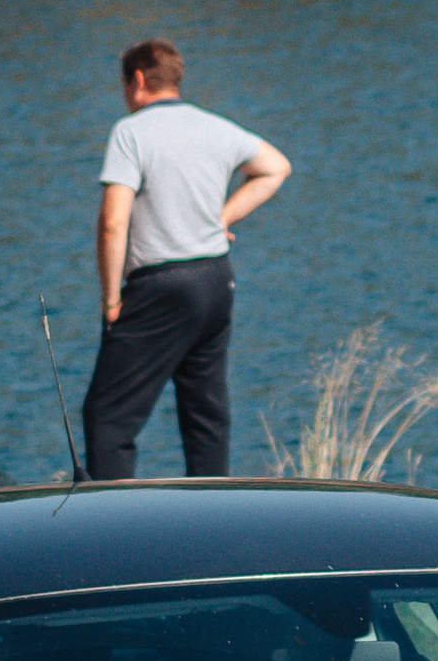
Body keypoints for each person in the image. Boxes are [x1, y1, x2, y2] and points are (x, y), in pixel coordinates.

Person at [82, 39, 290, 481]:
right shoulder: (217, 128)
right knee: (205, 416)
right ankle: (212, 525)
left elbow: (112, 223)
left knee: (108, 418)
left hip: (161, 285)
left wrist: (110, 299)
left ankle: (110, 533)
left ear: (137, 80)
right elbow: (275, 167)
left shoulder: (130, 132)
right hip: (215, 281)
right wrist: (223, 218)